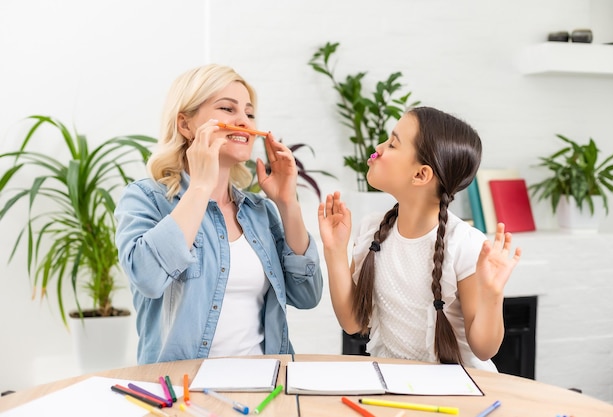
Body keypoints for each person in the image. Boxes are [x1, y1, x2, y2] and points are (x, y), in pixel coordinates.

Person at [115, 64, 323, 364]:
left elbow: (307, 295)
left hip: (267, 386)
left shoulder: (259, 212)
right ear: (186, 126)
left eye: (250, 114)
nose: (244, 121)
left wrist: (288, 203)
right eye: (227, 109)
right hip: (182, 390)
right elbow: (147, 277)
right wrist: (200, 186)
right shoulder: (146, 198)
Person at [318, 106, 522, 371]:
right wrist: (335, 250)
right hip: (397, 388)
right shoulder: (372, 230)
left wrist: (493, 295)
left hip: (461, 394)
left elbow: (483, 349)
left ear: (420, 174)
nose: (379, 147)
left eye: (392, 144)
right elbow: (353, 322)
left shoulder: (464, 243)